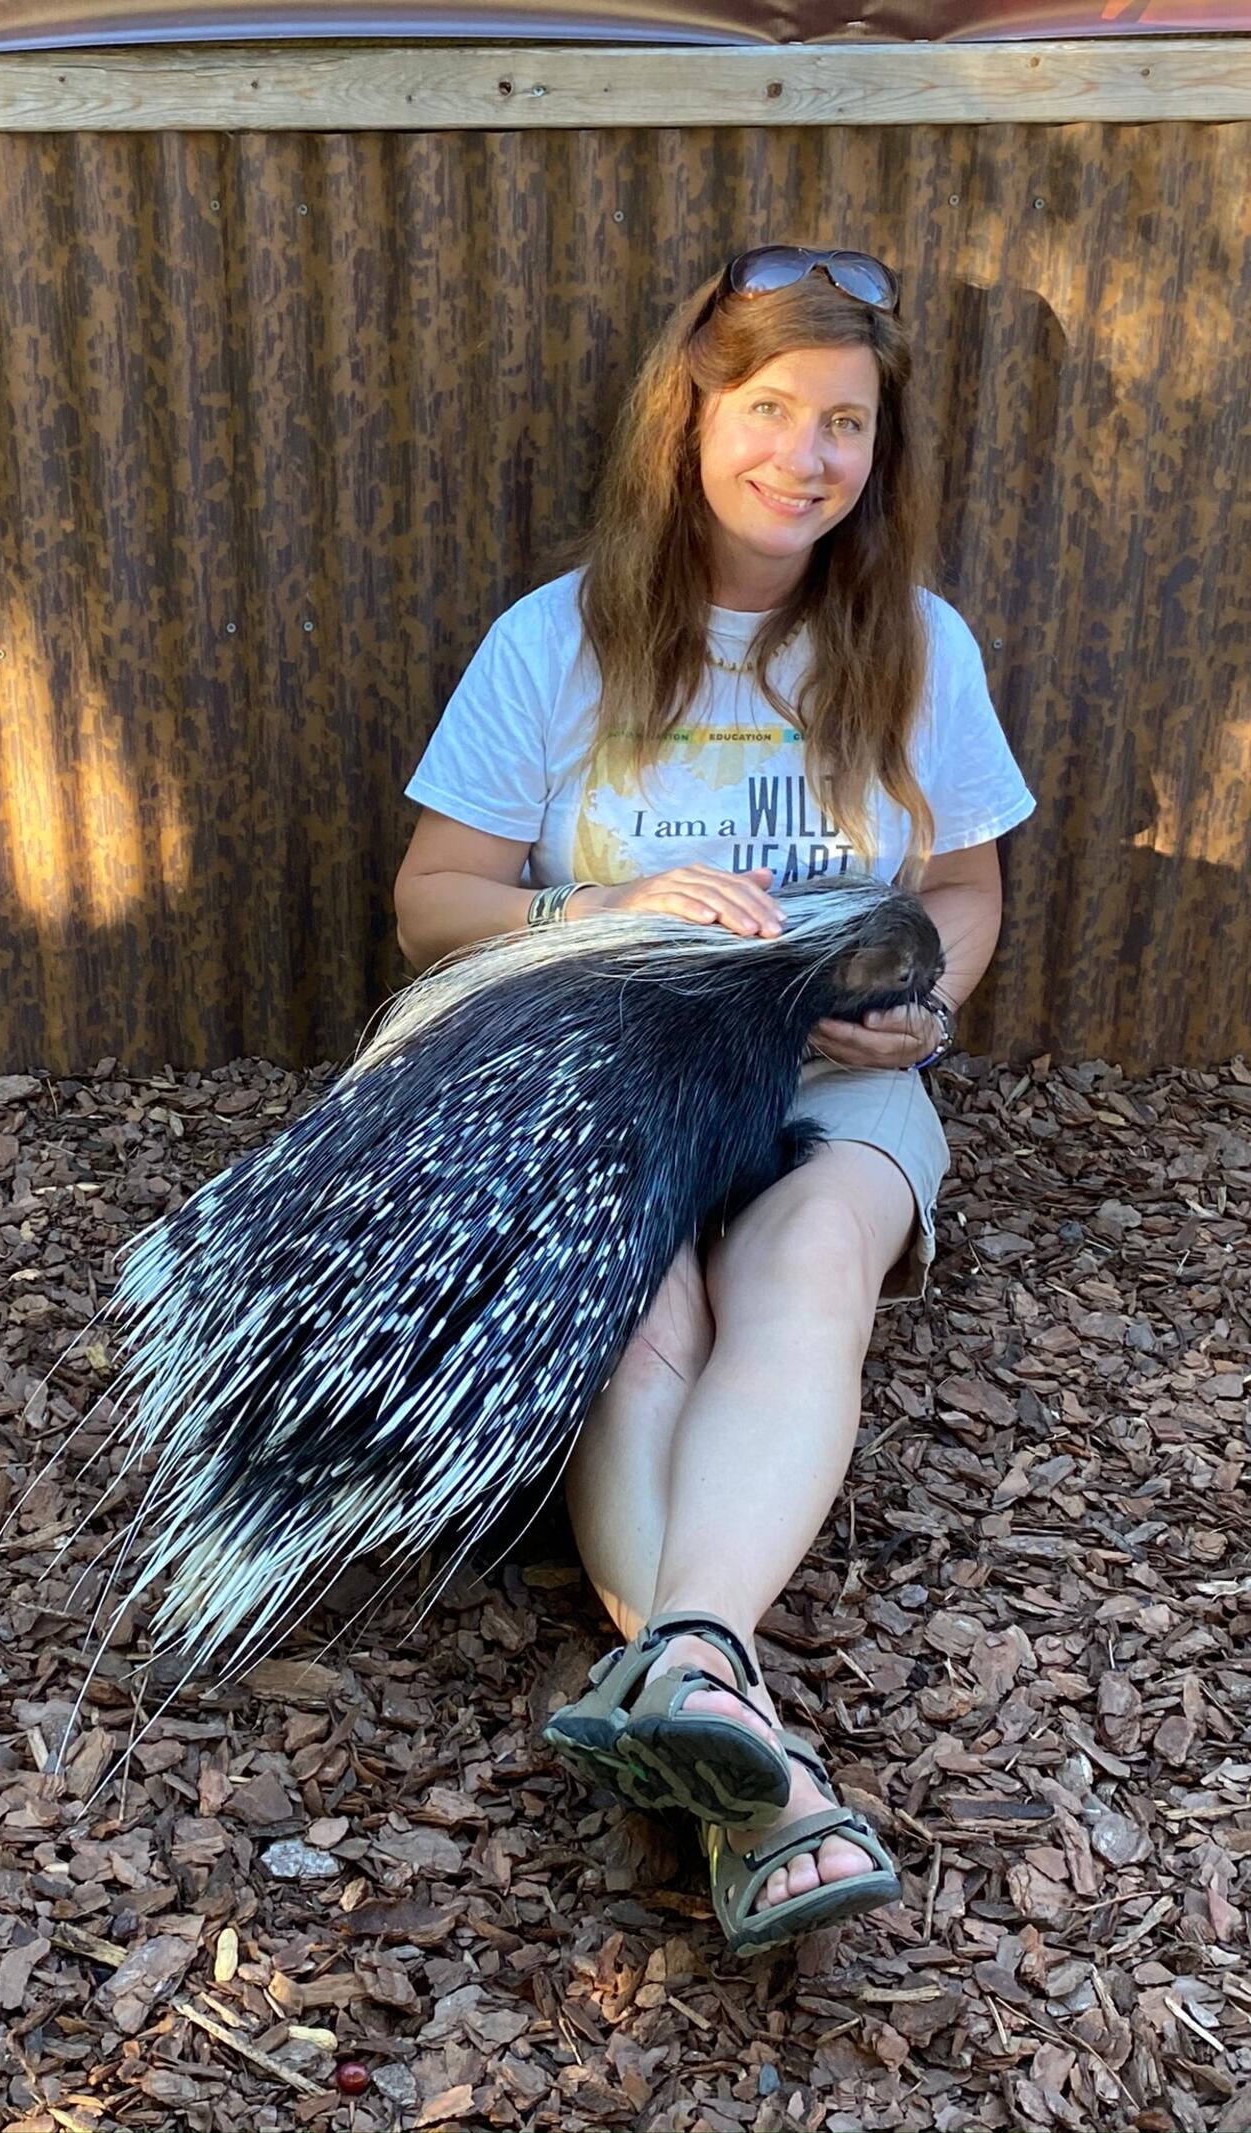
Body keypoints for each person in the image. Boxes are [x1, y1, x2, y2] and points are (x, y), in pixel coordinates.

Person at [392, 245, 1036, 1956]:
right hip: (605, 1066)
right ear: (692, 419)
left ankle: (688, 1665)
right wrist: (604, 907)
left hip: (836, 1073)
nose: (808, 456)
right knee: (642, 1313)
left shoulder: (915, 644)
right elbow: (432, 898)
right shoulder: (559, 639)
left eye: (847, 423)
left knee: (808, 1270)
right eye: (772, 410)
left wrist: (924, 997)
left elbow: (965, 889)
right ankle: (748, 1730)